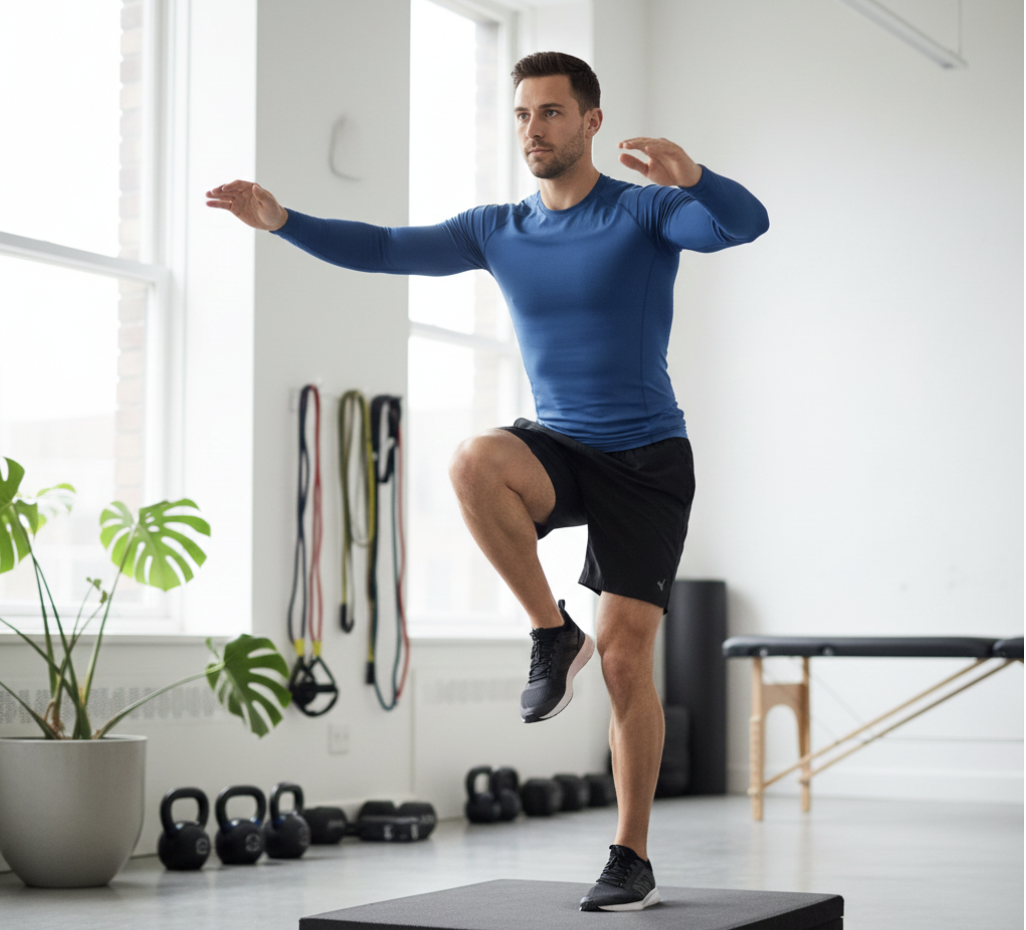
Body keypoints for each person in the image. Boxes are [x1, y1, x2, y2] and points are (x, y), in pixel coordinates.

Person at [207, 51, 768, 912]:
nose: (532, 130)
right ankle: (551, 633)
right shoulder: (498, 228)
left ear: (590, 122)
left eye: (550, 113)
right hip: (560, 444)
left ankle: (631, 854)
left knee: (625, 662)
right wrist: (284, 220)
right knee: (474, 460)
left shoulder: (649, 212)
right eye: (521, 115)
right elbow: (387, 248)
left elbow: (742, 225)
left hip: (649, 461)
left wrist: (695, 176)